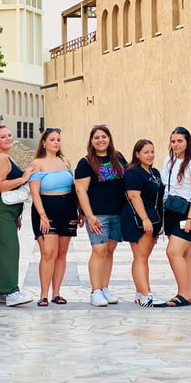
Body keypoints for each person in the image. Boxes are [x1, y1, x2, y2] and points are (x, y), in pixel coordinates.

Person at [0, 125, 36, 306]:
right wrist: (24, 178)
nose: (8, 138)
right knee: (8, 249)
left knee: (1, 250)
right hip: (0, 210)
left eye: (9, 135)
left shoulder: (5, 157)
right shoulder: (1, 158)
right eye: (3, 137)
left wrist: (17, 213)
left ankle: (0, 291)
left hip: (6, 209)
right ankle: (11, 291)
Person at [75, 125, 126, 307]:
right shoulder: (86, 163)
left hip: (117, 213)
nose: (100, 140)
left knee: (109, 251)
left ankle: (105, 287)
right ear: (91, 141)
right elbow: (81, 190)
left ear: (109, 139)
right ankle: (95, 291)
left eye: (104, 137)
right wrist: (89, 215)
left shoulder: (118, 158)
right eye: (96, 137)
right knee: (98, 251)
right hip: (98, 215)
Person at [29, 128, 78, 307]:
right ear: (44, 142)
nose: (56, 142)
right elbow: (34, 192)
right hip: (46, 210)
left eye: (58, 139)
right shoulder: (37, 163)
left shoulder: (64, 161)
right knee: (48, 253)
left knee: (62, 253)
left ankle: (56, 293)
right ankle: (43, 294)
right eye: (52, 139)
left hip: (67, 209)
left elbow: (74, 188)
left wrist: (78, 211)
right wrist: (42, 215)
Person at [159, 127, 191, 307]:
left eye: (180, 141)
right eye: (173, 141)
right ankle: (188, 293)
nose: (176, 144)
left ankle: (183, 293)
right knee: (185, 252)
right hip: (171, 210)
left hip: (188, 211)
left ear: (188, 142)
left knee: (173, 251)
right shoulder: (169, 160)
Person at [121, 139, 164, 307]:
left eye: (152, 151)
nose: (150, 155)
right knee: (141, 257)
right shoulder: (133, 172)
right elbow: (134, 196)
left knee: (142, 257)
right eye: (146, 152)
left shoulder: (154, 172)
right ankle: (146, 295)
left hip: (153, 219)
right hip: (138, 219)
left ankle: (141, 293)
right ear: (137, 154)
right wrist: (145, 219)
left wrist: (158, 223)